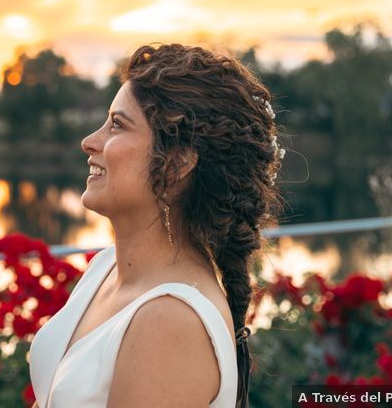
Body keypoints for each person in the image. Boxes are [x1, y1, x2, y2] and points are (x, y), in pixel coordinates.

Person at [29, 44, 284, 408]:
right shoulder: (105, 268)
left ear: (177, 163)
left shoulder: (171, 320)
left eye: (117, 125)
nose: (89, 142)